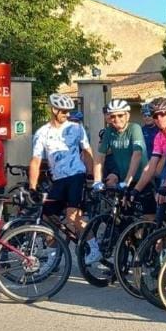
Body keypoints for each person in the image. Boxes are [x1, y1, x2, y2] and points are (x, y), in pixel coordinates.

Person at [29, 93, 103, 263]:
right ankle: (54, 255)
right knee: (47, 216)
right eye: (64, 111)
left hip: (76, 176)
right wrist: (32, 187)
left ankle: (94, 247)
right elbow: (35, 161)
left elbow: (87, 151)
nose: (67, 114)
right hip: (58, 180)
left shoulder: (76, 128)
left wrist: (91, 176)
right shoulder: (42, 133)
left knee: (73, 217)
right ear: (54, 110)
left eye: (69, 111)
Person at [97, 99, 147, 189]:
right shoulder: (109, 131)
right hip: (123, 180)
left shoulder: (134, 128)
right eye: (113, 116)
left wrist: (127, 181)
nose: (117, 119)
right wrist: (97, 181)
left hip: (141, 180)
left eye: (120, 115)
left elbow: (137, 154)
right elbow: (100, 156)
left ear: (127, 115)